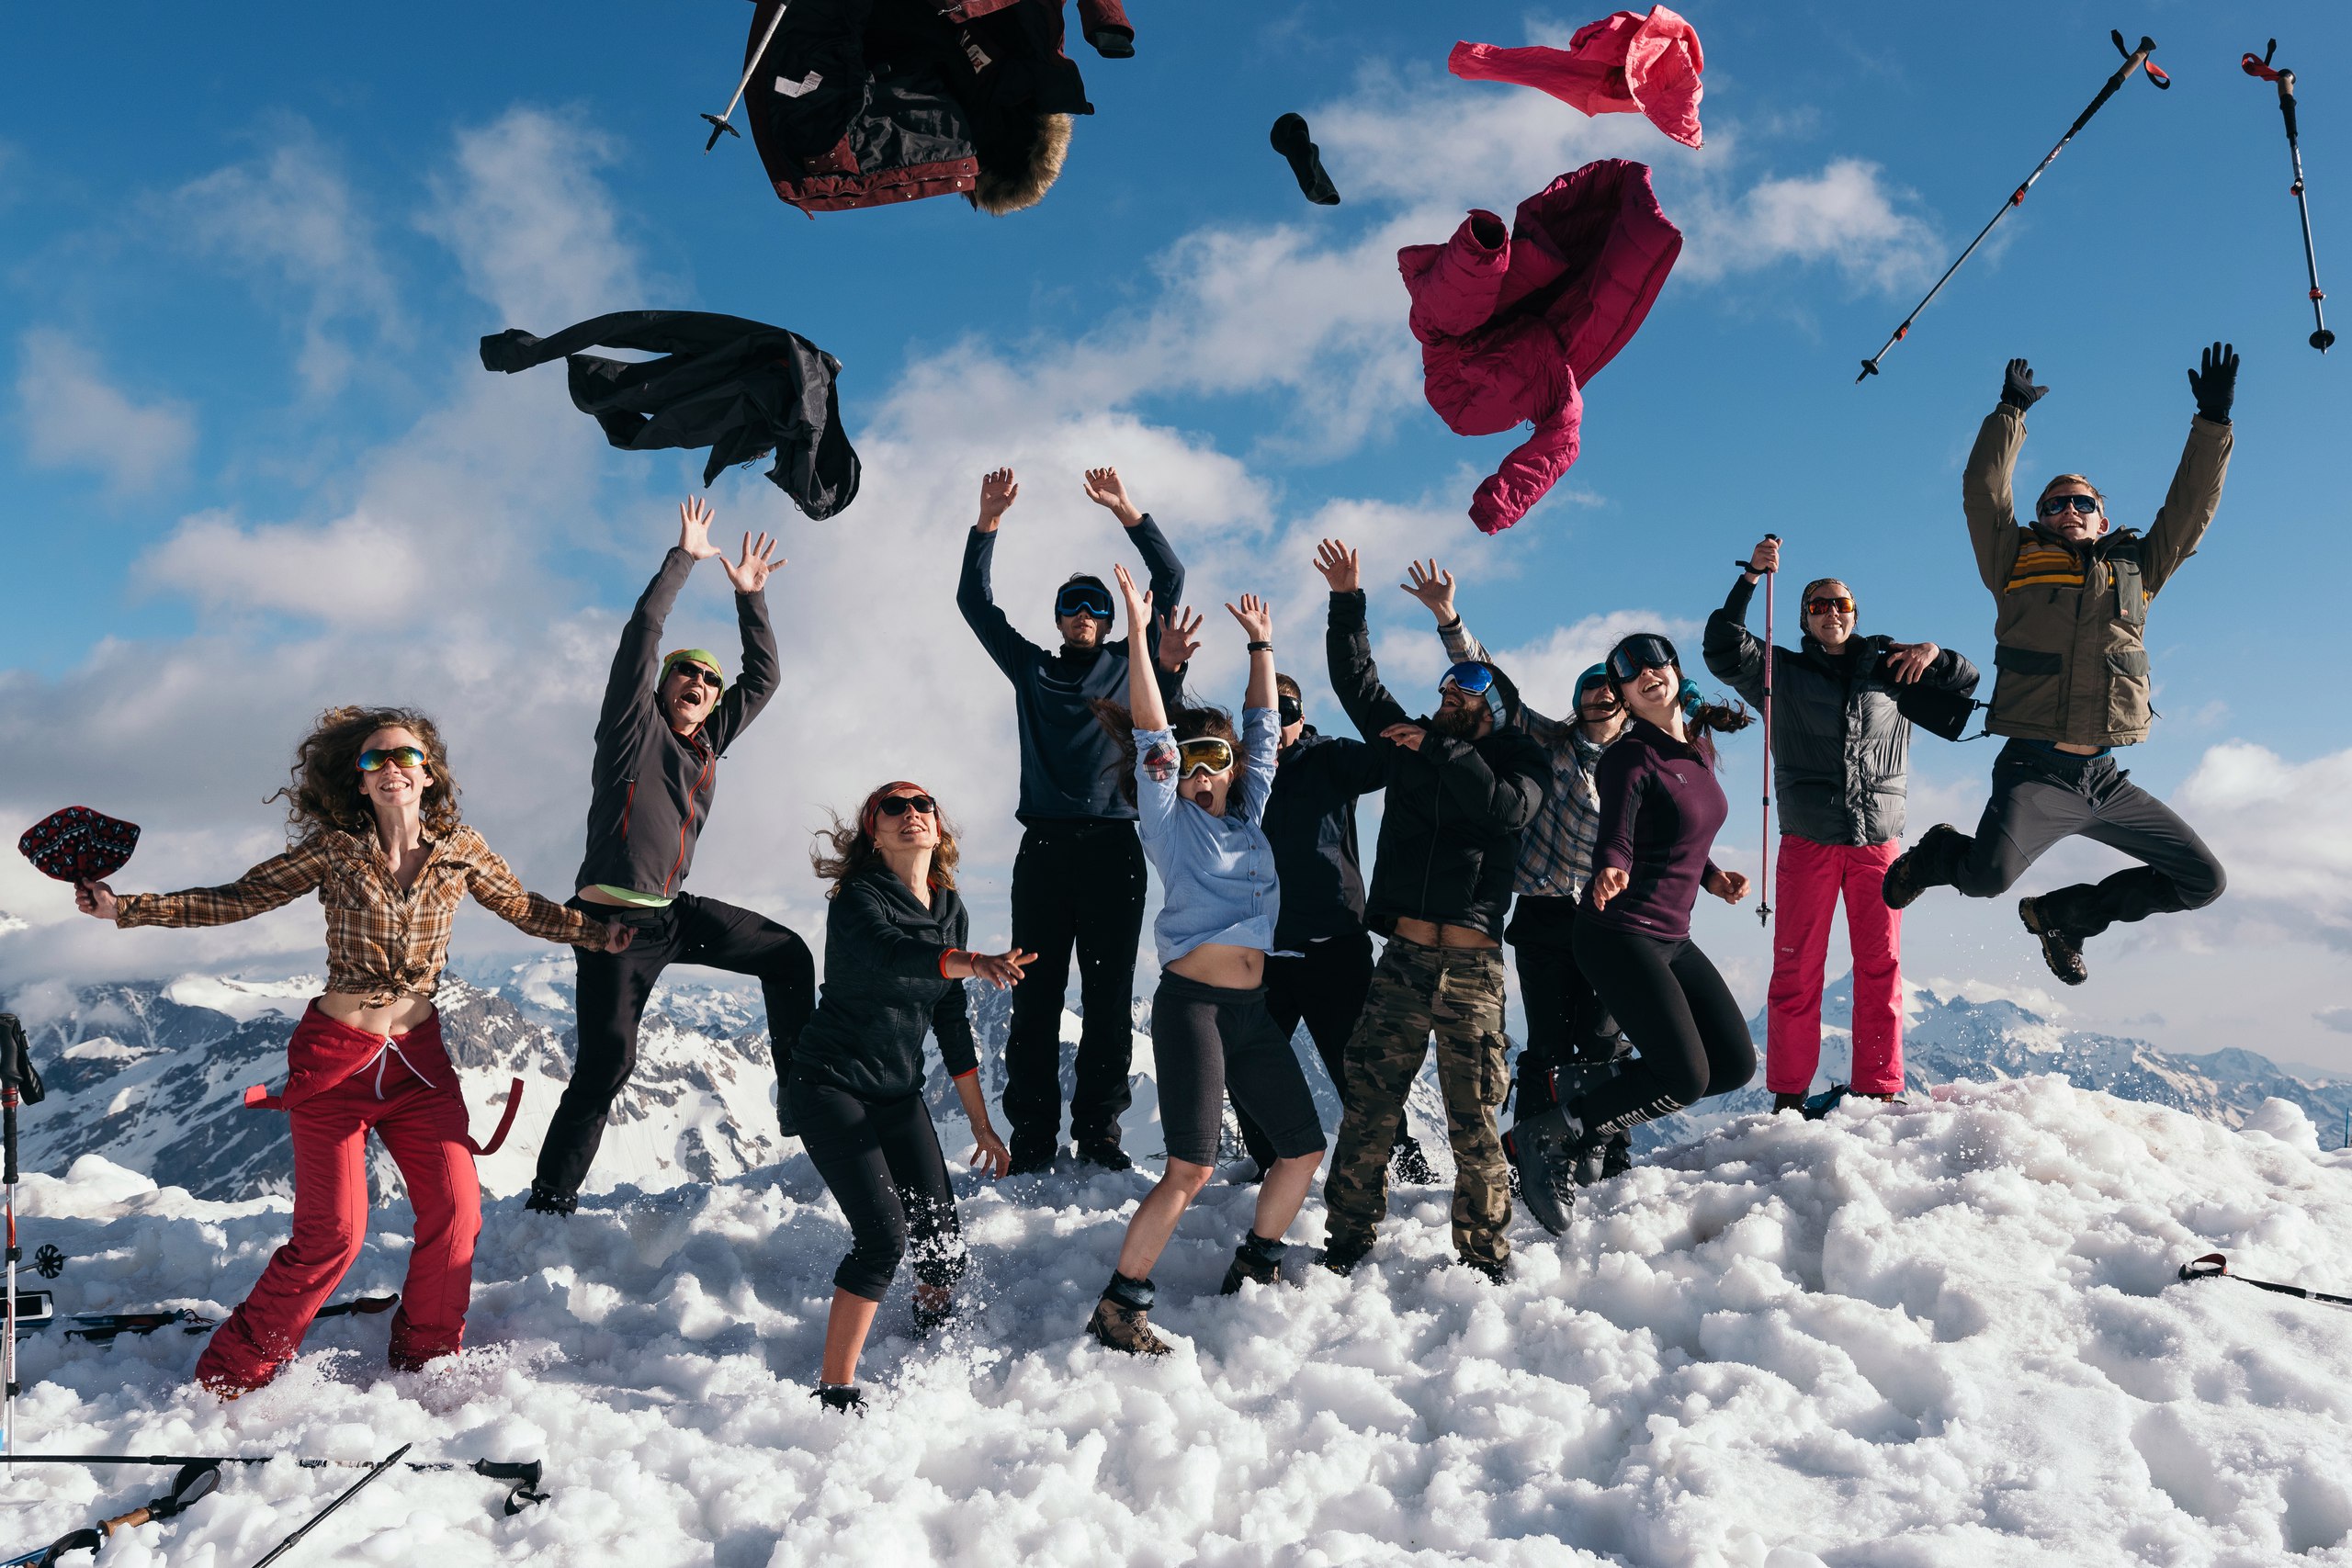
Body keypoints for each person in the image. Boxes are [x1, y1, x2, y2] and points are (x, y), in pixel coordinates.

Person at [74, 707, 628, 1393]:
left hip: (418, 1064)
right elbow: (239, 898)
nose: (391, 766)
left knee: (458, 1213)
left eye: (405, 756)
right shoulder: (336, 850)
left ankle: (426, 1358)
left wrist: (600, 935)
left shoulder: (463, 850)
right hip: (336, 1059)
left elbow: (525, 908)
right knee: (334, 1232)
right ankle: (231, 1375)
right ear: (361, 783)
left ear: (431, 774)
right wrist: (125, 908)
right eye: (374, 760)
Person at [1882, 347, 2236, 986]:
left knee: (2202, 880)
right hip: (2035, 768)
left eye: (2080, 502)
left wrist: (2212, 422)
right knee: (1986, 877)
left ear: (2102, 514)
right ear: (2039, 518)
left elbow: (2190, 511)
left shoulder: (2139, 567)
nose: (2067, 511)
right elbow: (1981, 492)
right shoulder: (2013, 561)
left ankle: (2067, 916)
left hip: (2103, 777)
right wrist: (2010, 413)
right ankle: (1940, 853)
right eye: (2053, 504)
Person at [533, 498, 814, 1214]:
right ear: (660, 688)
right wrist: (684, 559)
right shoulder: (631, 728)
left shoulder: (707, 743)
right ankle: (549, 1199)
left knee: (788, 954)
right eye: (685, 676)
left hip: (672, 916)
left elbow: (765, 678)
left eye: (709, 682)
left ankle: (803, 1102)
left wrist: (752, 598)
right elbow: (643, 634)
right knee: (608, 1065)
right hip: (610, 929)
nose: (698, 685)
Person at [1080, 569, 1327, 1354]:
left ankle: (1255, 1263)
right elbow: (1153, 732)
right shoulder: (1171, 826)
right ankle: (1121, 1304)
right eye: (1189, 763)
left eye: (1213, 758)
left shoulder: (1252, 813)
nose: (1201, 770)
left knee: (1302, 1146)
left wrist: (1262, 645)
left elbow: (1262, 731)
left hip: (1252, 1014)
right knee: (1188, 1166)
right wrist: (1138, 634)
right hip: (1194, 1008)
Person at [1313, 539, 1546, 1282]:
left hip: (1474, 969)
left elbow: (1506, 810)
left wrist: (1441, 752)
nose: (1445, 701)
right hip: (1405, 961)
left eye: (1463, 696)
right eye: (1443, 693)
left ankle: (1484, 1256)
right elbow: (1357, 683)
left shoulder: (1519, 763)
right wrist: (1348, 601)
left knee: (1475, 1119)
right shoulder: (1413, 745)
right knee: (1369, 1105)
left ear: (1496, 710)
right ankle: (1346, 1239)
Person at [957, 465, 1187, 1175]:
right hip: (1046, 847)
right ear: (1058, 617)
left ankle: (1099, 1133)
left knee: (1110, 991)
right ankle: (1033, 1135)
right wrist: (987, 522)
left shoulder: (1131, 662)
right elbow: (975, 603)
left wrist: (1126, 509)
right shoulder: (1031, 669)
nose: (1085, 613)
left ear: (1111, 620)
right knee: (1036, 991)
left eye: (1095, 606)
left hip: (1116, 845)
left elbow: (1171, 581)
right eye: (1072, 605)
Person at [1703, 539, 1979, 1109]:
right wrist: (1752, 577)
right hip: (1807, 840)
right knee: (1796, 970)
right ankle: (1789, 1094)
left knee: (1881, 968)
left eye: (1842, 605)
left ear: (1856, 614)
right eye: (1819, 605)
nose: (1832, 612)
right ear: (1805, 618)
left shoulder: (1894, 670)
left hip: (1880, 842)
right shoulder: (1780, 672)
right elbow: (1722, 648)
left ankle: (1880, 1089)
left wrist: (1932, 651)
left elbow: (1966, 680)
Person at [789, 782, 1032, 1413]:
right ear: (873, 831)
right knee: (883, 1238)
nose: (910, 814)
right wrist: (971, 960)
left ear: (938, 825)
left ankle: (926, 1342)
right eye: (891, 807)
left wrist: (982, 1126)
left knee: (942, 1248)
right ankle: (835, 1392)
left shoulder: (949, 907)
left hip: (897, 1093)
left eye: (922, 804)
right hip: (830, 1084)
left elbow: (951, 1024)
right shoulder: (857, 899)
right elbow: (893, 954)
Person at [1506, 635, 1757, 1233]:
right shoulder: (1629, 756)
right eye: (1628, 669)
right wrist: (1611, 866)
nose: (1645, 671)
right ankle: (1547, 1135)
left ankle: (1569, 1086)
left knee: (1733, 1065)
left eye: (1654, 659)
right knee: (1684, 1077)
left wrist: (1715, 878)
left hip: (1673, 934)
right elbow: (1617, 830)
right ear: (1621, 694)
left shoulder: (1695, 749)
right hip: (1619, 933)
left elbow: (1676, 835)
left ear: (1673, 670)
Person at [1399, 558, 1633, 1180]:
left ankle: (1610, 1155)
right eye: (1585, 696)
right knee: (1550, 1046)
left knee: (1606, 1040)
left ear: (1624, 708)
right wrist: (1449, 617)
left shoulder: (1640, 767)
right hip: (1543, 913)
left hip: (1609, 916)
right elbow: (1493, 684)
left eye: (1605, 698)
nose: (1592, 705)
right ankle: (1535, 1148)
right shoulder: (1548, 742)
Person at [1219, 667, 1429, 1183]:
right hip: (1261, 948)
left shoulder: (1331, 757)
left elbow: (1391, 758)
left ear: (1302, 716)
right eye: (1263, 715)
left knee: (1357, 1068)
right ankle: (1270, 1165)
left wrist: (1419, 726)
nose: (1276, 722)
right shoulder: (1238, 775)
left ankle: (1401, 1165)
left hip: (1332, 942)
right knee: (1243, 1062)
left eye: (1285, 711)